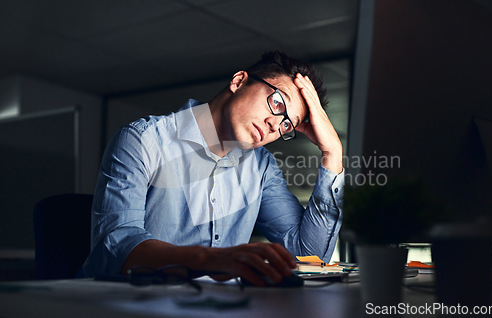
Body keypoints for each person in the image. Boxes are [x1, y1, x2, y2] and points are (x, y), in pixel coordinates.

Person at [80, 51, 344, 287]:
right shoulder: (143, 140)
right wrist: (214, 259)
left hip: (210, 307)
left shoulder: (262, 167)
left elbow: (309, 259)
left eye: (288, 125)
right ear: (239, 81)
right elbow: (114, 249)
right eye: (277, 103)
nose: (276, 125)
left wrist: (333, 153)